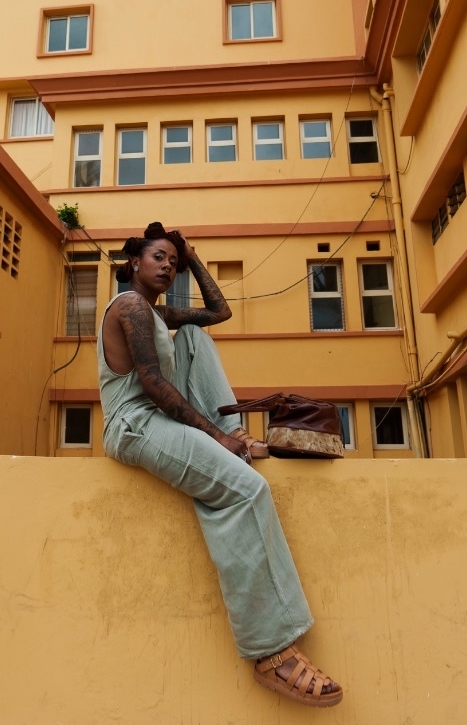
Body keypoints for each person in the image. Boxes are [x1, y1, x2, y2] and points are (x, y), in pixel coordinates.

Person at [97, 221, 343, 708]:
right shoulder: (130, 307)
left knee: (194, 335)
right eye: (159, 257)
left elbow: (219, 311)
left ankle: (235, 436)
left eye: (173, 261)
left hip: (156, 417)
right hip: (134, 423)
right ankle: (271, 652)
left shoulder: (156, 311)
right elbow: (154, 386)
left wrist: (192, 257)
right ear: (134, 263)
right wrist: (215, 437)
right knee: (246, 489)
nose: (167, 266)